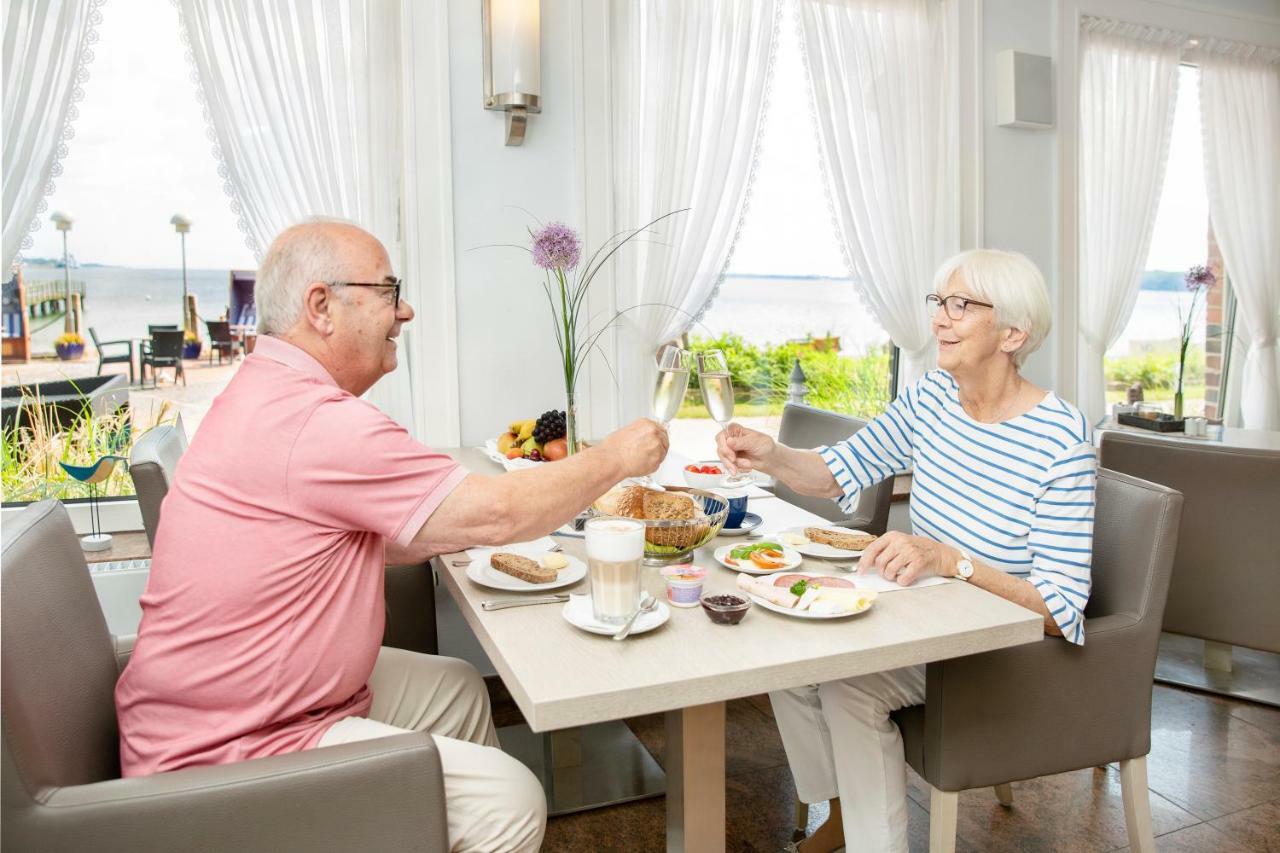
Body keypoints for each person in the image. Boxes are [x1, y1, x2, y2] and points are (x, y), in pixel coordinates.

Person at [115, 220, 669, 853]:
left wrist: (448, 522)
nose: (405, 310)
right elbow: (496, 514)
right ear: (321, 306)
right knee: (509, 800)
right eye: (387, 290)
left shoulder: (265, 391)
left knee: (456, 688)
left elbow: (326, 538)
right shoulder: (313, 423)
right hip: (227, 752)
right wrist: (618, 456)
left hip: (247, 701)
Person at [716, 249, 1096, 853]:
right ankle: (843, 813)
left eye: (962, 305)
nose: (941, 319)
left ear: (1013, 334)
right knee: (786, 652)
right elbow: (839, 471)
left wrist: (952, 561)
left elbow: (1059, 610)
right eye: (939, 302)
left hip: (999, 644)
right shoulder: (931, 398)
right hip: (923, 614)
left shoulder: (1062, 439)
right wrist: (773, 456)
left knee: (850, 686)